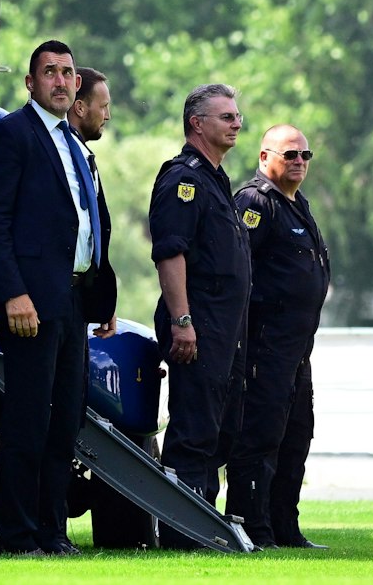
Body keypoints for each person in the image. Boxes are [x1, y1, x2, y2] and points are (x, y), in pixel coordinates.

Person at [0, 40, 118, 556]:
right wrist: (13, 293)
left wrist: (102, 298)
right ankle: (16, 536)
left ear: (77, 84)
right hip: (30, 304)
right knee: (28, 419)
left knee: (65, 423)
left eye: (67, 73)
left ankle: (53, 533)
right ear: (31, 83)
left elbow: (89, 226)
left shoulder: (77, 144)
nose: (60, 81)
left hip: (75, 300)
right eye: (49, 73)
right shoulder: (11, 135)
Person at [146, 83, 251, 547]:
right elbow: (171, 253)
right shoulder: (183, 178)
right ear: (197, 123)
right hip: (198, 324)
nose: (236, 123)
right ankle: (182, 535)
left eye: (237, 116)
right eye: (226, 116)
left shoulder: (215, 179)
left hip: (222, 329)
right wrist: (181, 321)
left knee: (217, 430)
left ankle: (202, 525)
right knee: (193, 430)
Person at [224, 124, 331, 550]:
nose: (300, 163)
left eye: (305, 155)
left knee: (296, 434)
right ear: (265, 155)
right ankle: (252, 527)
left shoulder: (296, 203)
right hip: (265, 345)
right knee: (261, 436)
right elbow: (237, 269)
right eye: (290, 155)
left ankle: (285, 527)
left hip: (296, 349)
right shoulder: (255, 201)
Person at [70, 67, 111, 151]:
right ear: (80, 108)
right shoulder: (66, 155)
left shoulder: (78, 153)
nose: (107, 116)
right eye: (103, 106)